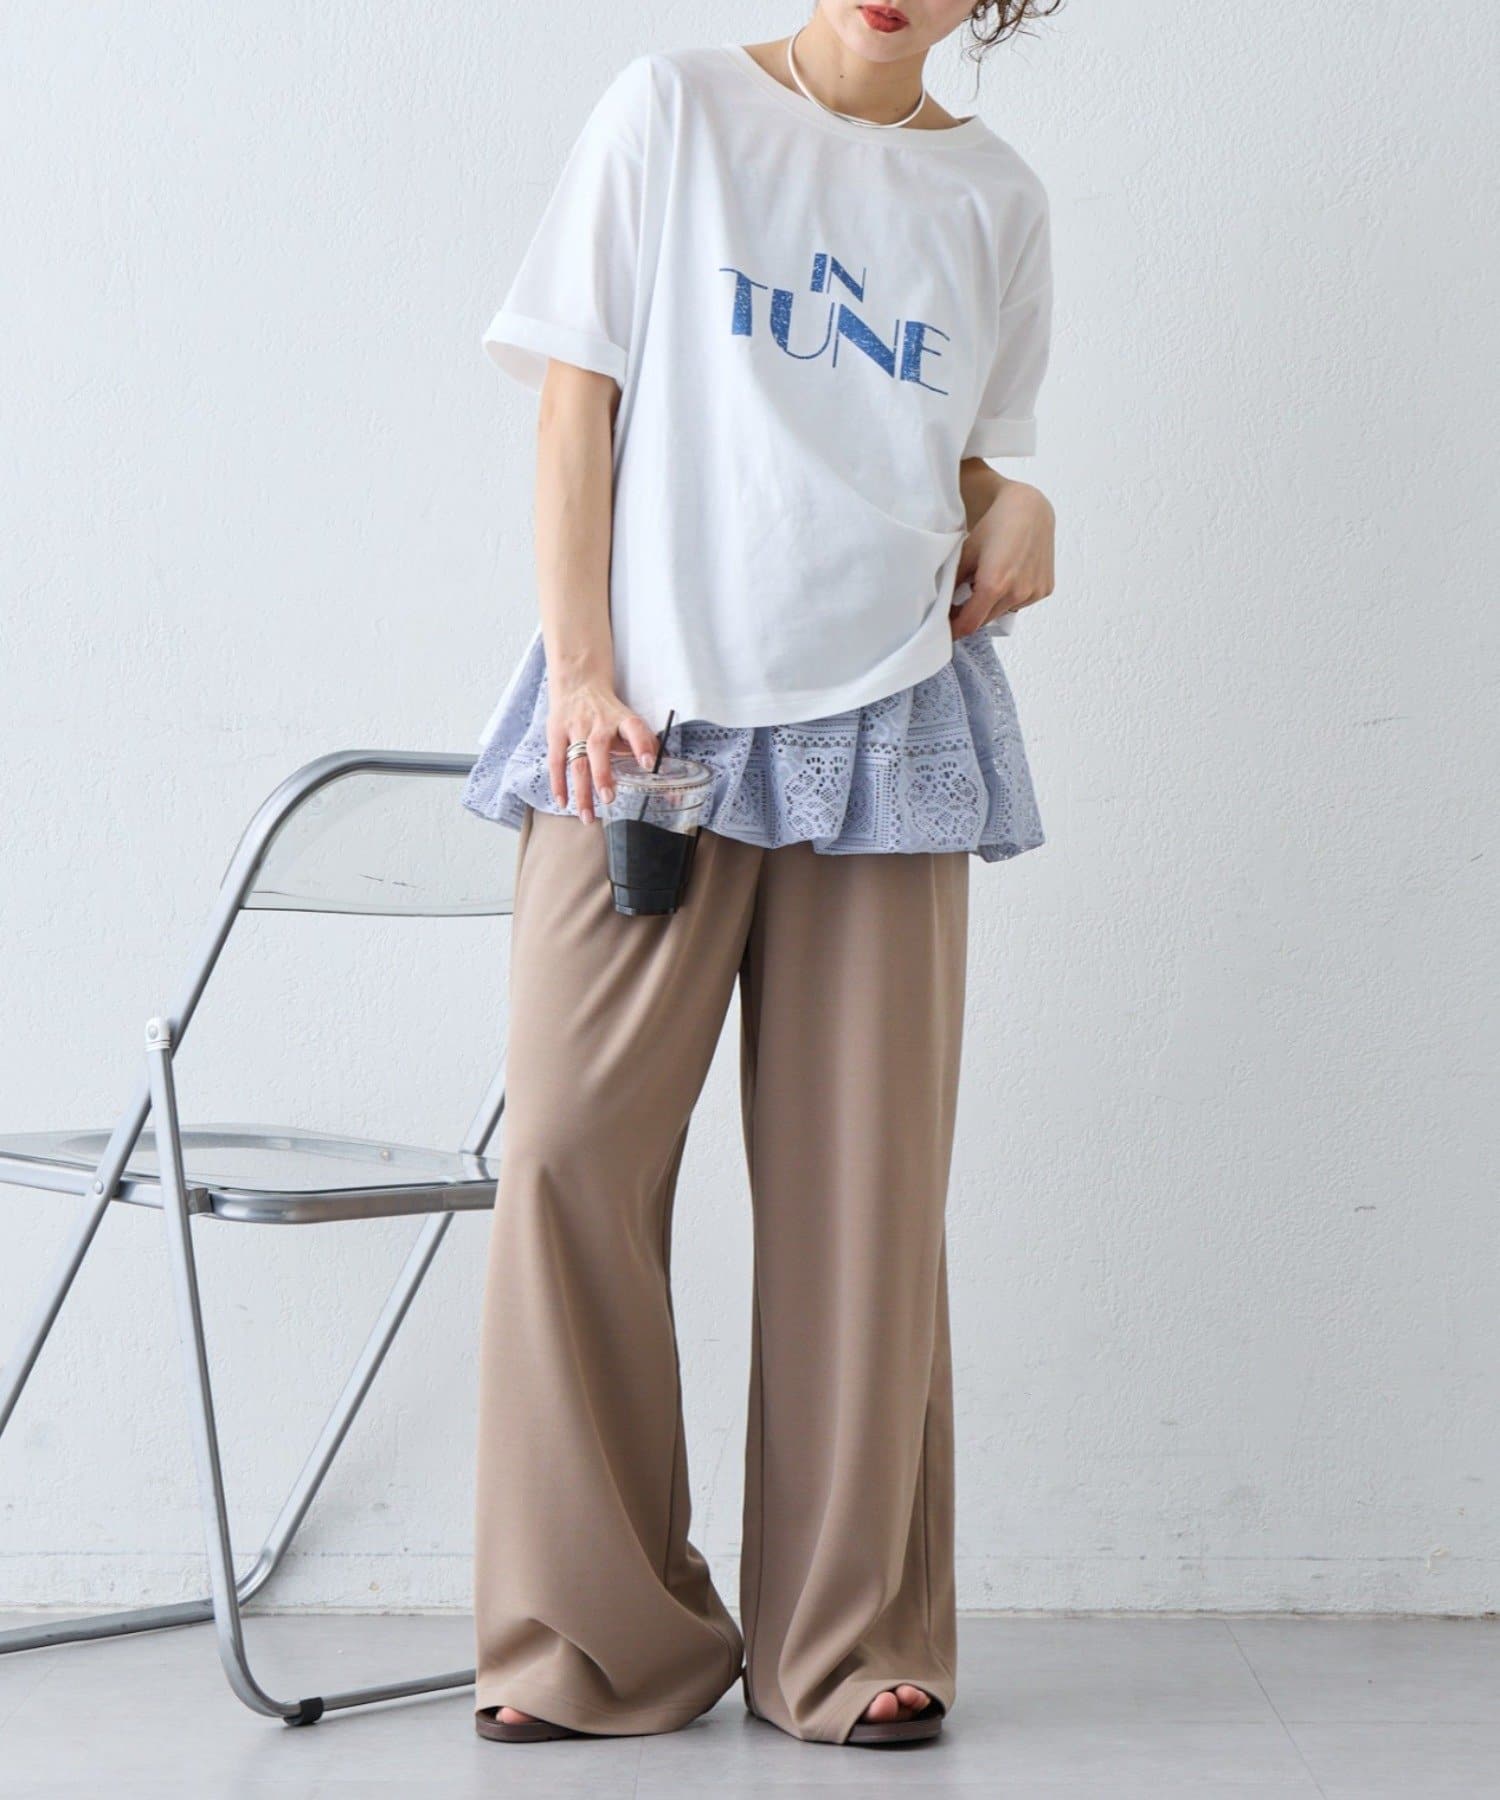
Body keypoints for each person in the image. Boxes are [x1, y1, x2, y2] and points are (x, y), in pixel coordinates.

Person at [462, 0, 1060, 1750]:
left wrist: (1021, 504)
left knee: (863, 1202)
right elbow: (578, 399)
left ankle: (845, 1637)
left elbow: (947, 453)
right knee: (569, 1154)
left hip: (889, 723)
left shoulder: (996, 198)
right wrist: (584, 670)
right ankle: (595, 1635)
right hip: (646, 731)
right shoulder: (674, 112)